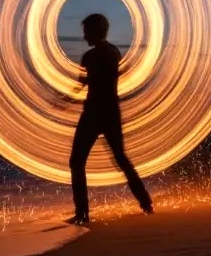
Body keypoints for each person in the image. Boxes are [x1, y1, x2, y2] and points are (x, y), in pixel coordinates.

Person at [65, 14, 152, 225]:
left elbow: (93, 78)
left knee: (78, 161)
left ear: (96, 31)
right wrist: (68, 97)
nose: (84, 36)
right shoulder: (111, 52)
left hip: (96, 113)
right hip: (109, 111)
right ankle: (145, 203)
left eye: (87, 31)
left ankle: (82, 213)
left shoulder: (97, 56)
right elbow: (87, 81)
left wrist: (77, 90)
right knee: (119, 158)